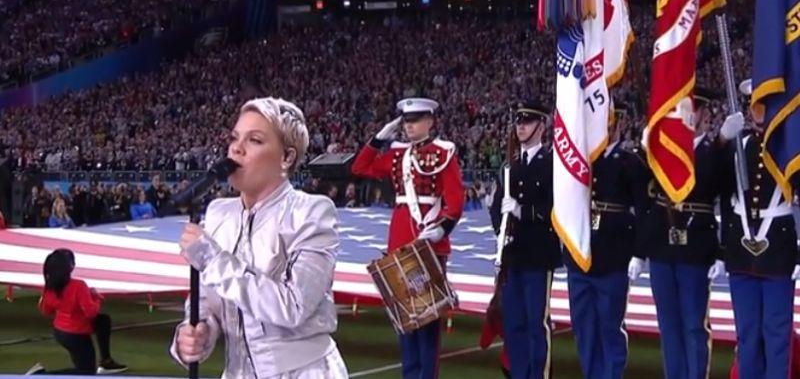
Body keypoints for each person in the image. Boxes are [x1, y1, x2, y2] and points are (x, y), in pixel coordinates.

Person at [171, 97, 348, 378]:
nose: (236, 149)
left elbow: (294, 307)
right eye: (234, 138)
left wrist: (212, 258)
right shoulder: (218, 213)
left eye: (254, 140)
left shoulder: (312, 212)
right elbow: (206, 297)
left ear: (287, 157)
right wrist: (200, 329)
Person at [351, 97, 465, 379]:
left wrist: (442, 228)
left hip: (429, 242)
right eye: (405, 121)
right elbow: (359, 168)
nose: (409, 126)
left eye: (415, 120)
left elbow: (455, 199)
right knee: (405, 319)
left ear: (430, 121)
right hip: (400, 241)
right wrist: (378, 139)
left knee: (427, 320)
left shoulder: (443, 153)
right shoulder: (397, 155)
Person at [630, 89, 737, 379]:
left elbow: (715, 187)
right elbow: (645, 197)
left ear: (705, 113)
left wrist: (722, 252)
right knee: (668, 325)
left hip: (696, 247)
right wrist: (644, 148)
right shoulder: (664, 151)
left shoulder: (714, 152)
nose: (687, 114)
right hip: (663, 246)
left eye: (693, 108)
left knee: (693, 325)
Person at [719, 81, 800, 379]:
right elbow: (717, 187)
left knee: (777, 336)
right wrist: (721, 142)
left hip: (778, 250)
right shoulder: (740, 146)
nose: (758, 110)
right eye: (754, 104)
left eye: (764, 103)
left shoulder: (790, 146)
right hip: (741, 251)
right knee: (748, 335)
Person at [565, 105, 649, 379]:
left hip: (614, 256)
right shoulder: (582, 160)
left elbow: (644, 210)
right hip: (581, 256)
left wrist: (639, 253)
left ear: (619, 124)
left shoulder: (631, 163)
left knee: (610, 327)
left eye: (609, 121)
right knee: (584, 328)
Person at [489, 102, 559, 379]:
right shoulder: (511, 166)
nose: (521, 126)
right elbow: (496, 208)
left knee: (536, 324)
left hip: (539, 254)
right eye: (519, 121)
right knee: (514, 324)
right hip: (513, 255)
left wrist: (524, 212)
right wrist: (502, 232)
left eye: (527, 122)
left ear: (541, 127)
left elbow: (558, 208)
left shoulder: (552, 164)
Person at [27, 248, 127, 375]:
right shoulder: (78, 286)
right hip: (77, 335)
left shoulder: (49, 288)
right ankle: (40, 375)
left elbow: (46, 311)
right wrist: (95, 298)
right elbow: (91, 312)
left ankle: (106, 362)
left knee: (103, 320)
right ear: (70, 267)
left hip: (61, 332)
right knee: (86, 372)